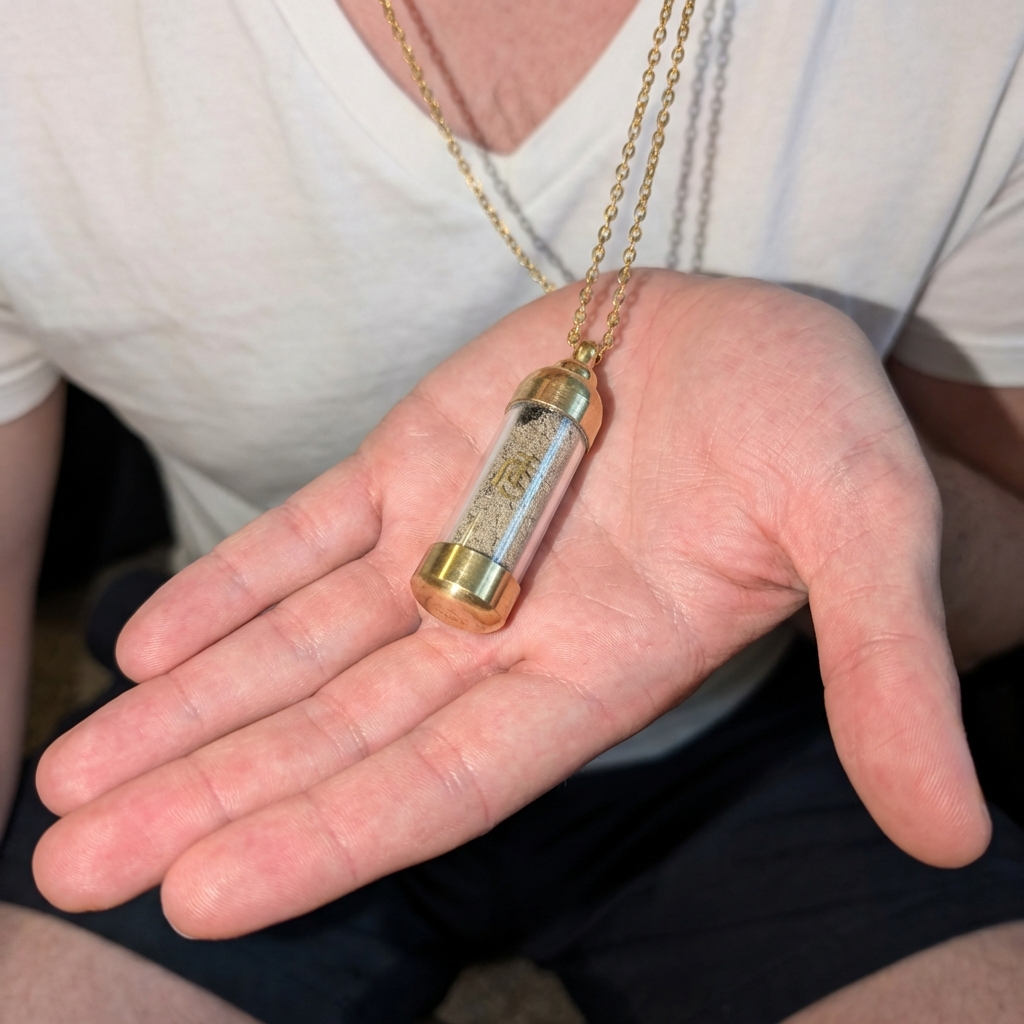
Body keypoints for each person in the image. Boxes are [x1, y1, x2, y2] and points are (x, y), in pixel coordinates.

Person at [1, 0, 1023, 1020]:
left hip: (745, 737)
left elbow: (1007, 576)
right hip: (256, 708)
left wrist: (860, 511)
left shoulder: (971, 40)